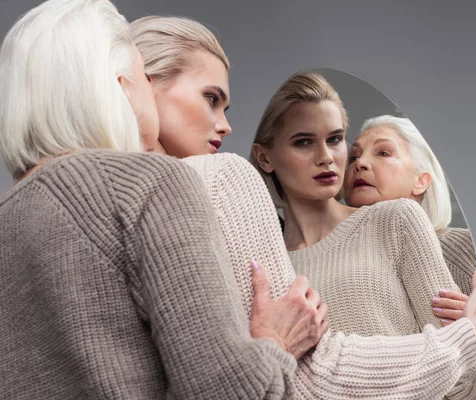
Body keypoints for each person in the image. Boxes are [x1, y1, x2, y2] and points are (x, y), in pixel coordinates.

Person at [132, 16, 476, 399]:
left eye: (336, 139)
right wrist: (471, 336)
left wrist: (472, 335)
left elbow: (465, 381)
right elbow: (277, 377)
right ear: (265, 158)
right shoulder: (246, 241)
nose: (327, 157)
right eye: (303, 142)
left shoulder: (395, 220)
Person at [0, 1, 329, 398]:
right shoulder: (151, 186)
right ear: (118, 87)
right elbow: (225, 391)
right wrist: (277, 341)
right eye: (142, 75)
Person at [343, 115, 476, 299]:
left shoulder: (466, 249)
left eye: (383, 153)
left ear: (421, 181)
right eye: (353, 157)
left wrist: (475, 323)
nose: (360, 163)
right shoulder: (329, 257)